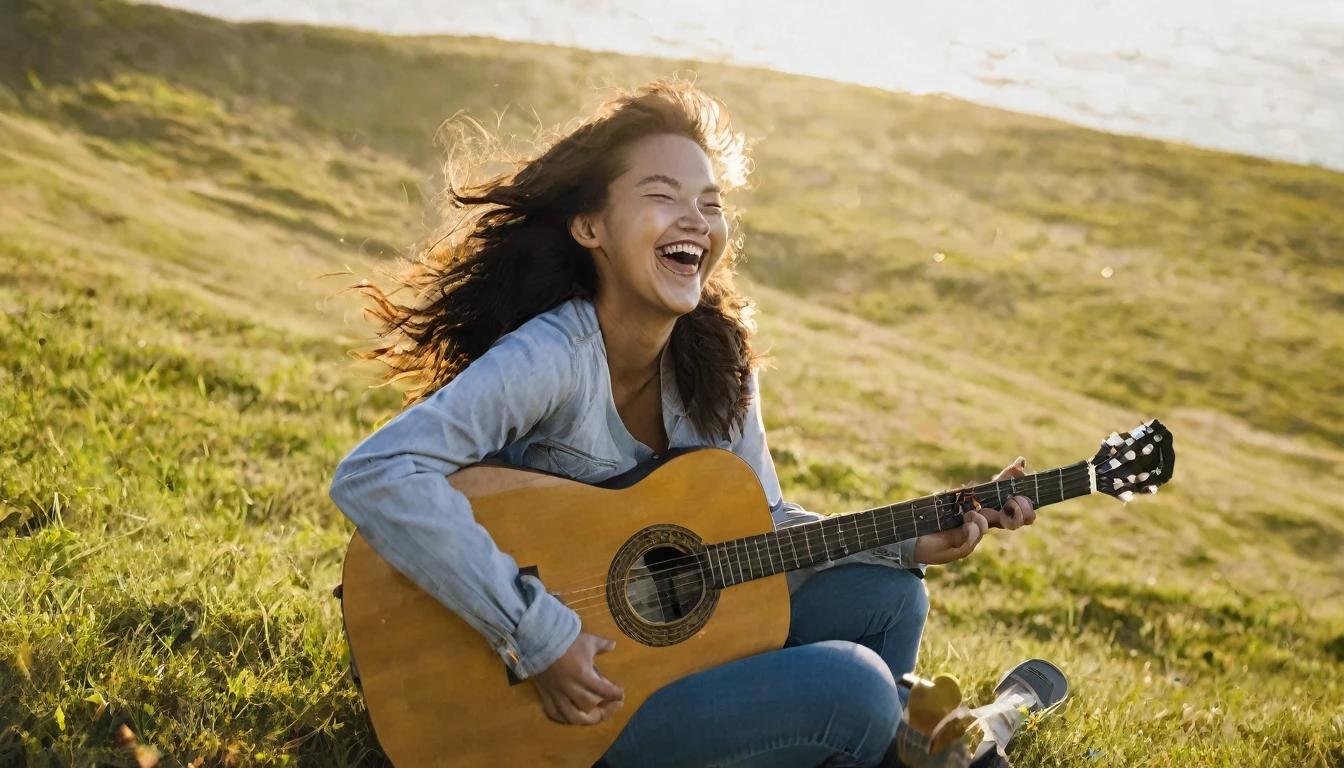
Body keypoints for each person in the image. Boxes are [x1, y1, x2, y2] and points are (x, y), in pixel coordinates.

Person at [327, 77, 1039, 768]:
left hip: (660, 663)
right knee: (856, 689)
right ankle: (895, 736)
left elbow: (756, 528)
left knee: (888, 601)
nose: (697, 219)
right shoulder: (551, 357)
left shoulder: (717, 367)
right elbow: (378, 473)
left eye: (711, 202)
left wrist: (907, 539)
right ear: (590, 226)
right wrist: (536, 635)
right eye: (662, 196)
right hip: (556, 705)